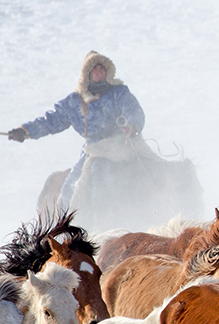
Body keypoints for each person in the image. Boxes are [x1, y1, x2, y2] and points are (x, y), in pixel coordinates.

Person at [9, 51, 145, 211]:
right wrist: (25, 131)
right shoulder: (75, 101)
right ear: (88, 73)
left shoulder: (119, 92)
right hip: (94, 150)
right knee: (70, 189)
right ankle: (83, 222)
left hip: (121, 144)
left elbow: (133, 110)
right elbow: (51, 121)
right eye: (96, 69)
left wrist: (132, 125)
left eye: (103, 69)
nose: (100, 73)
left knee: (151, 170)